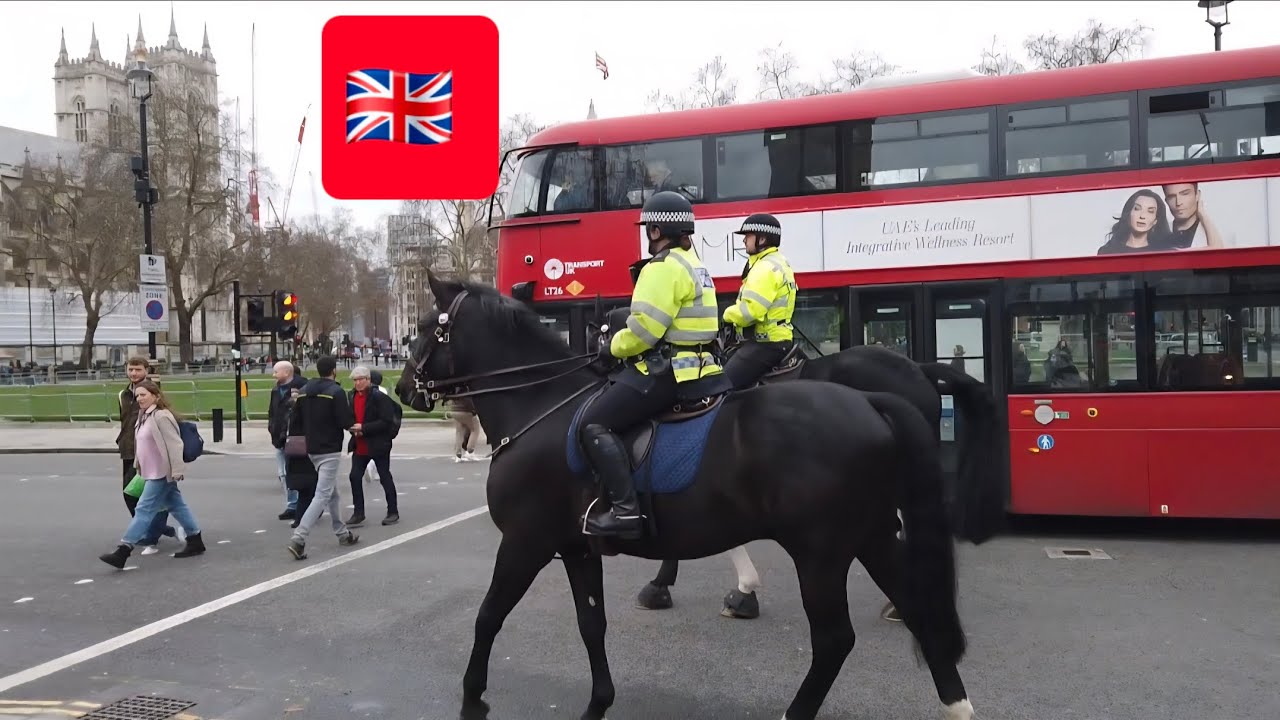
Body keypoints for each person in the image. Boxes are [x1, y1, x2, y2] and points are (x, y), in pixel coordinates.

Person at [578, 190, 725, 539]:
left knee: (595, 423)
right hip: (704, 368)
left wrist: (610, 348)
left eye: (648, 229)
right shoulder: (696, 265)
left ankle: (625, 512)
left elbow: (644, 331)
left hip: (670, 373)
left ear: (656, 231)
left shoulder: (660, 268)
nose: (646, 236)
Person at [99, 380, 205, 568]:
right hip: (150, 471)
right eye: (138, 395)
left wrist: (178, 470)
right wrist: (139, 465)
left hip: (162, 473)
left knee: (143, 509)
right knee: (177, 506)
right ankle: (195, 540)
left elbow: (175, 444)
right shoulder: (144, 416)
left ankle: (123, 550)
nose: (139, 398)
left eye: (144, 395)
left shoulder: (161, 416)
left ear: (156, 396)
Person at [287, 355, 359, 560]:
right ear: (333, 370)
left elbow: (296, 419)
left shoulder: (303, 391)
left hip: (312, 448)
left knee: (332, 493)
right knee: (322, 495)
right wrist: (355, 427)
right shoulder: (336, 392)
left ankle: (342, 532)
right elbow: (344, 420)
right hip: (330, 448)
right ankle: (299, 538)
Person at [720, 213, 797, 390]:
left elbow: (751, 312)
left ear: (762, 239)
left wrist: (726, 314)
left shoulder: (764, 268)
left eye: (748, 236)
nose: (744, 241)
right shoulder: (777, 261)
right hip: (778, 339)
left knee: (722, 385)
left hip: (767, 343)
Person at [115, 357, 176, 552]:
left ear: (146, 370)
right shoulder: (123, 395)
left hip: (148, 452)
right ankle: (154, 528)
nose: (133, 373)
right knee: (130, 493)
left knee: (146, 496)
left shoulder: (153, 393)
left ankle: (150, 533)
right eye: (130, 369)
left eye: (138, 369)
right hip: (128, 449)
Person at [344, 365, 401, 528]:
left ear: (368, 380)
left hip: (378, 443)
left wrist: (364, 428)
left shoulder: (378, 397)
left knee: (384, 476)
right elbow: (351, 416)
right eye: (355, 380)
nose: (357, 383)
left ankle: (393, 511)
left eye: (360, 380)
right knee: (354, 476)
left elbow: (386, 421)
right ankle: (358, 512)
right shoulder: (352, 396)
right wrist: (351, 427)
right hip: (359, 443)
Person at [268, 361, 307, 521]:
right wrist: (271, 428)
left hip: (295, 437)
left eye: (276, 371)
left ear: (286, 372)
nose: (273, 374)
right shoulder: (276, 389)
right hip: (279, 437)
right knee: (284, 473)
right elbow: (272, 411)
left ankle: (303, 504)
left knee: (298, 473)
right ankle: (292, 504)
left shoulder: (302, 386)